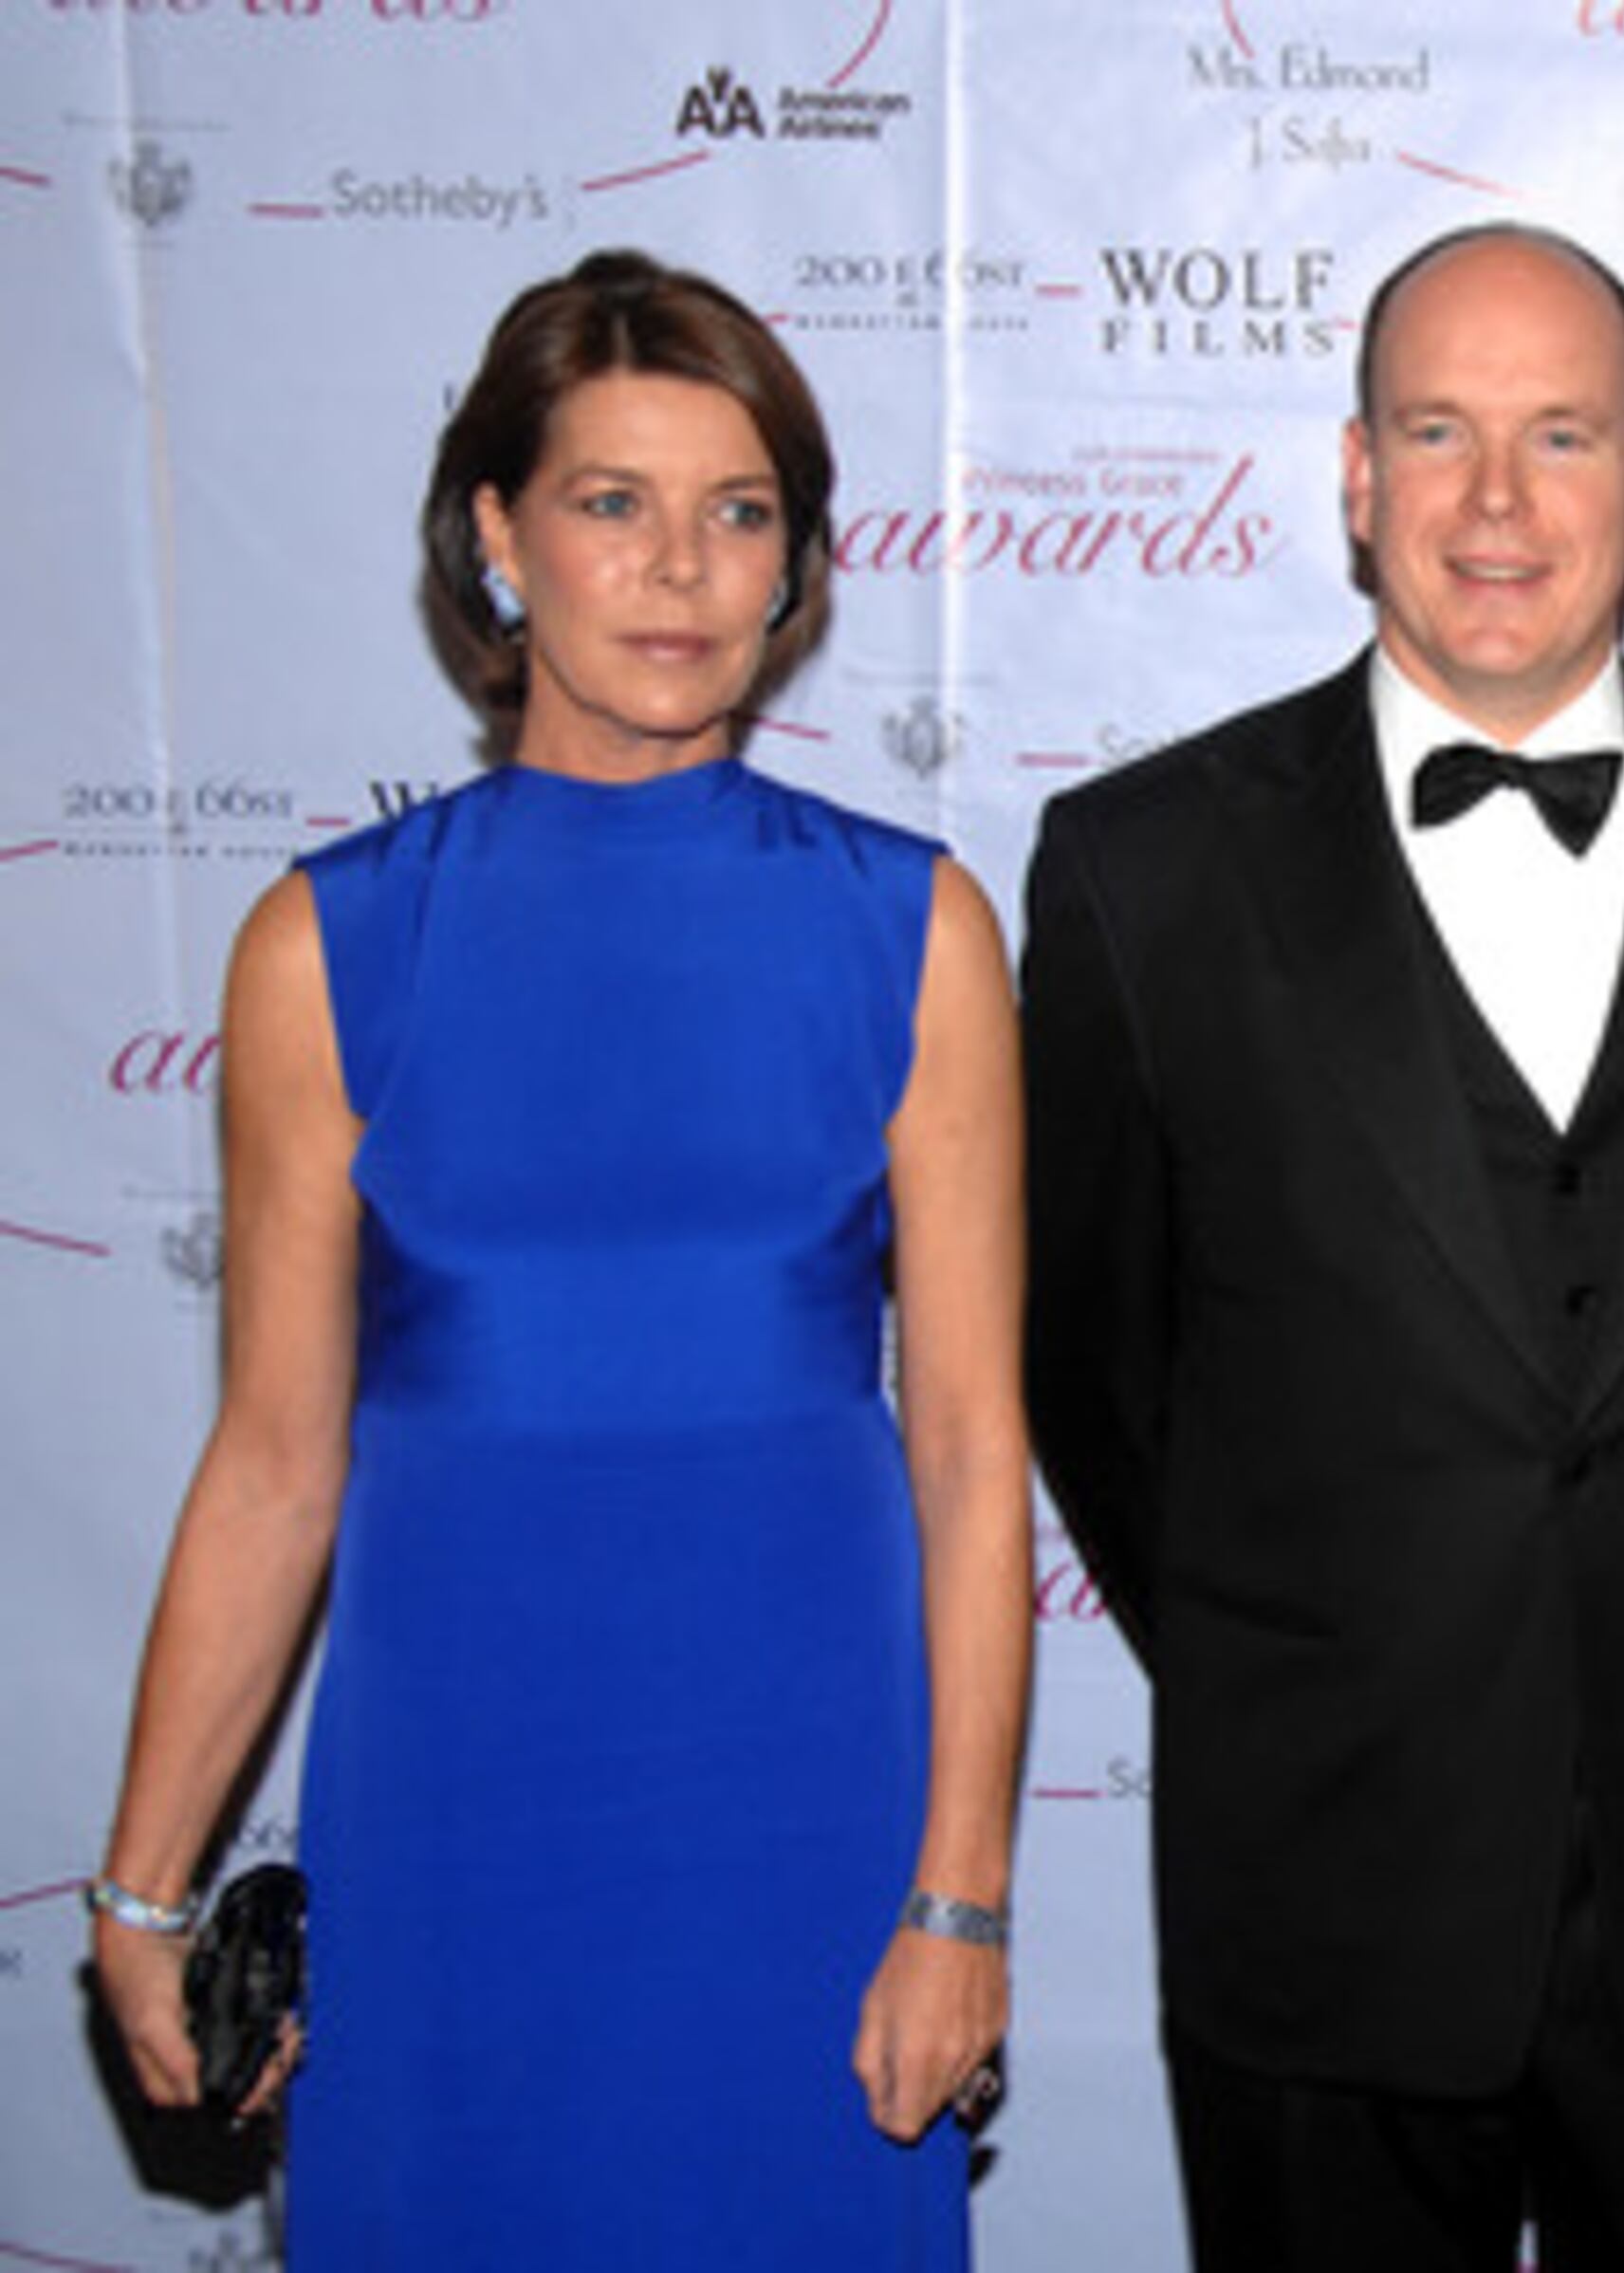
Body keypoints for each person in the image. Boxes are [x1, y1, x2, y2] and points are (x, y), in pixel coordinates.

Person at [1019, 222, 1624, 2272]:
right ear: (1356, 479)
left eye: (1562, 435)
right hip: (1321, 1887)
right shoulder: (1142, 869)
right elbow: (1095, 1366)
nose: (1498, 500)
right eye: (1439, 431)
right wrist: (1327, 1648)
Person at [86, 250, 1033, 2268]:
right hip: (455, 1814)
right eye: (613, 502)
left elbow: (968, 1452)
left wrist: (958, 1898)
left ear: (793, 566)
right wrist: (145, 1880)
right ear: (499, 539)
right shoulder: (333, 947)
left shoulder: (913, 935)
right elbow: (272, 1455)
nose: (680, 567)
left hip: (804, 1817)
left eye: (738, 509)